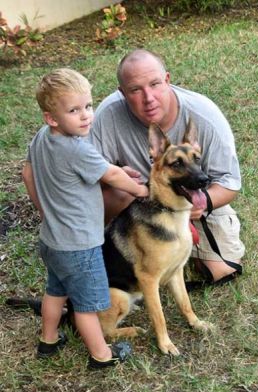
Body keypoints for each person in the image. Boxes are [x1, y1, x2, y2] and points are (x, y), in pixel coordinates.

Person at [22, 68, 148, 369]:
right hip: (80, 247)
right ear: (52, 118)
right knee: (88, 306)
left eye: (89, 106)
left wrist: (44, 210)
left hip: (52, 241)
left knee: (55, 291)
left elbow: (28, 171)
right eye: (74, 110)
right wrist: (142, 189)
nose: (86, 116)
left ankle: (48, 339)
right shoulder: (76, 147)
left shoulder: (42, 138)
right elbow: (114, 175)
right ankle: (102, 355)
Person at [90, 49, 245, 286]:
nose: (148, 97)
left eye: (155, 84)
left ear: (168, 80)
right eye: (135, 90)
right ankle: (101, 254)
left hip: (194, 200)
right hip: (137, 204)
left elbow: (229, 182)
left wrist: (201, 203)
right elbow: (88, 174)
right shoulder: (108, 116)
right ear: (122, 93)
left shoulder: (205, 116)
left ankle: (178, 256)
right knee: (116, 192)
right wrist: (118, 177)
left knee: (221, 270)